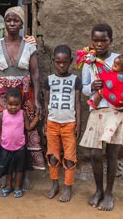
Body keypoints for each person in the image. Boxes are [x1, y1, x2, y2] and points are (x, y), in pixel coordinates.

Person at [79, 23, 123, 211]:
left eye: (103, 40)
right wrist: (93, 88)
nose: (99, 44)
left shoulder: (119, 60)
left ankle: (109, 193)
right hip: (97, 112)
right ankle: (98, 190)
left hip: (116, 111)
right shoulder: (88, 62)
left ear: (110, 41)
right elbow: (84, 88)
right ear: (91, 41)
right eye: (95, 40)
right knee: (95, 154)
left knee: (112, 154)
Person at [0, 6, 45, 172]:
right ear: (5, 24)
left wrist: (36, 99)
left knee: (26, 130)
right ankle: (6, 171)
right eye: (9, 20)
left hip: (25, 95)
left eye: (16, 20)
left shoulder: (29, 47)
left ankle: (25, 172)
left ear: (22, 24)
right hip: (3, 97)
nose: (12, 23)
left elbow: (35, 74)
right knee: (7, 130)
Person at [43, 45, 82, 202]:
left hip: (69, 124)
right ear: (53, 61)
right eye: (58, 62)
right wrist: (45, 122)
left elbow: (78, 103)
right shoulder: (49, 80)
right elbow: (46, 103)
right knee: (52, 155)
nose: (61, 65)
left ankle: (68, 187)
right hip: (52, 123)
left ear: (71, 61)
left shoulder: (75, 80)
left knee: (70, 157)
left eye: (65, 62)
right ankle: (54, 185)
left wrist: (79, 124)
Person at [0, 88, 40, 198]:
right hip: (5, 147)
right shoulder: (2, 115)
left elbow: (28, 127)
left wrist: (37, 118)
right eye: (10, 104)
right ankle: (8, 186)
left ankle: (18, 187)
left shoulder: (22, 114)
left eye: (16, 104)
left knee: (19, 169)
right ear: (5, 103)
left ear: (21, 104)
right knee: (8, 169)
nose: (13, 107)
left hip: (20, 148)